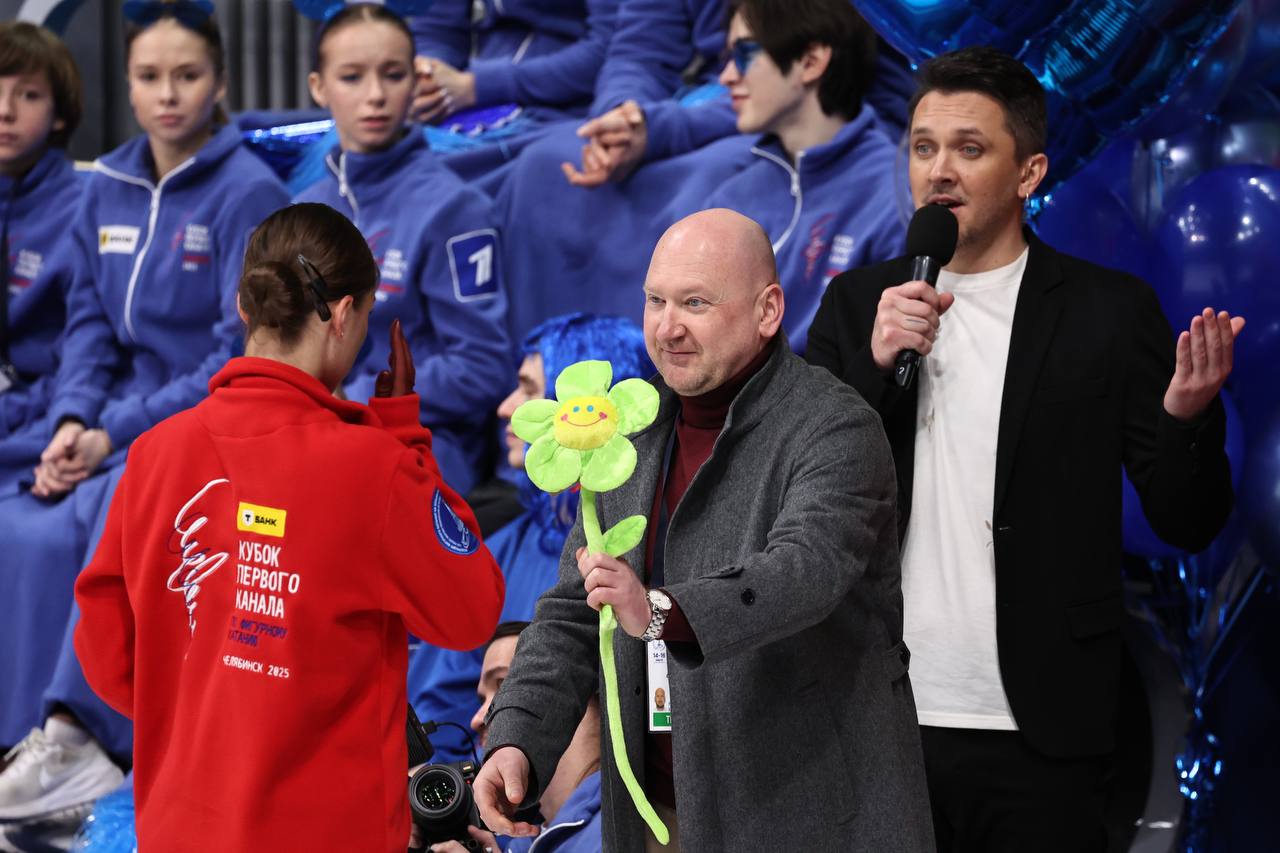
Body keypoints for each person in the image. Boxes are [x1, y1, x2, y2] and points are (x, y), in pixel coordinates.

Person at [806, 47, 1241, 852]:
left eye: (969, 149)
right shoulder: (859, 303)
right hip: (880, 712)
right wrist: (872, 367)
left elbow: (1187, 519)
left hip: (1045, 725)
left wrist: (1184, 416)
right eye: (924, 146)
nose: (939, 170)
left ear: (1029, 171)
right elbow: (802, 488)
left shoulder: (1107, 312)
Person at [473, 208, 933, 852]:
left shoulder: (836, 426)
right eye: (656, 301)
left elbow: (803, 572)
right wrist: (517, 738)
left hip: (811, 817)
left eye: (695, 302)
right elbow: (577, 612)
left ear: (768, 310)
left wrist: (659, 611)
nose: (668, 327)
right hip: (655, 814)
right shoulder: (626, 435)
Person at [73, 201, 506, 852]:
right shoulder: (375, 466)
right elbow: (471, 611)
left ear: (247, 309)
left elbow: (107, 654)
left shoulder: (153, 452)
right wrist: (408, 437)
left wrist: (212, 708)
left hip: (179, 827)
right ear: (342, 316)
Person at [0, 2, 289, 820]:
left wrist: (107, 436)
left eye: (188, 75)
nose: (169, 95)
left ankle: (85, 734)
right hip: (105, 417)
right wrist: (69, 421)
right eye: (150, 77)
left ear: (220, 82)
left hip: (205, 415)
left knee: (98, 509)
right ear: (126, 85)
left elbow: (237, 352)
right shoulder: (112, 183)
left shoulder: (249, 192)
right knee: (24, 521)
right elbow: (88, 327)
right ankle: (28, 732)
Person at [499, 0, 904, 348]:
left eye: (744, 55)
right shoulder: (736, 196)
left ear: (812, 61)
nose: (726, 75)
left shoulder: (889, 199)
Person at [408, 312, 652, 763]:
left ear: (589, 411)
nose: (506, 407)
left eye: (528, 390)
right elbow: (439, 704)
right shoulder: (499, 549)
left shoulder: (651, 541)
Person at [295, 2, 512, 496]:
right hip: (318, 425)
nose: (375, 96)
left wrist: (356, 397)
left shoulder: (454, 208)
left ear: (415, 82)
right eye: (352, 77)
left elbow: (480, 367)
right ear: (318, 87)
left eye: (392, 75)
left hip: (424, 443)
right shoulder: (306, 206)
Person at [420, 621, 603, 853]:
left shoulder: (629, 821)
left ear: (571, 689)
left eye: (504, 686)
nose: (476, 720)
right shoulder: (521, 844)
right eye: (481, 700)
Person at [0, 21, 85, 438]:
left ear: (58, 115)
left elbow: (87, 356)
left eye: (28, 95)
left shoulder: (85, 207)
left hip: (40, 419)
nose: (4, 111)